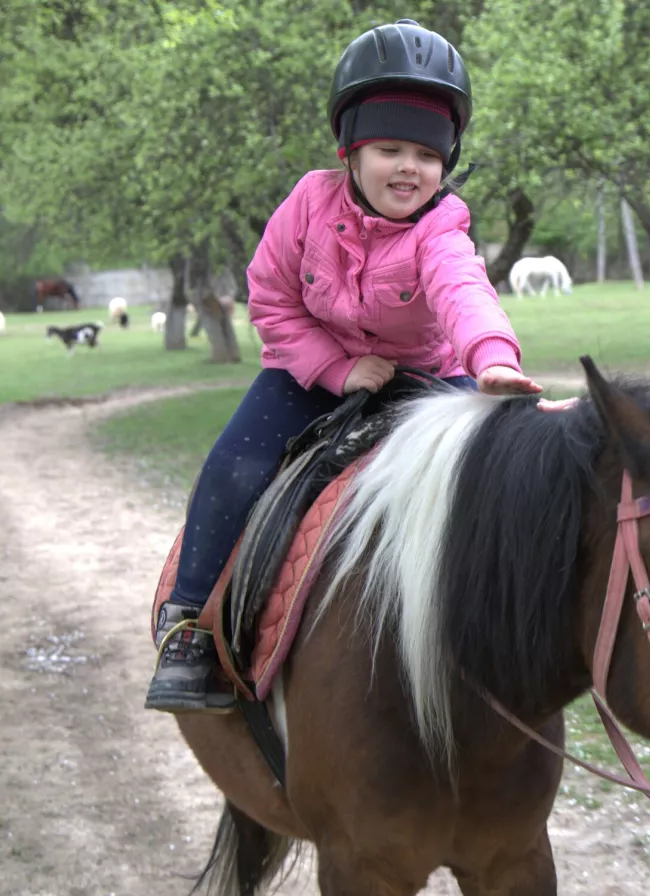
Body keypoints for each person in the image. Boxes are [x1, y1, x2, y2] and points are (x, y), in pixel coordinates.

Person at [147, 19, 570, 714]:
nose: (410, 167)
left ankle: (503, 636)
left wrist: (492, 362)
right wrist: (338, 369)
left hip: (428, 372)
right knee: (237, 465)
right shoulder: (306, 206)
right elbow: (272, 299)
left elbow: (464, 292)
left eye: (428, 155)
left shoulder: (442, 227)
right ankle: (190, 623)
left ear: (447, 164)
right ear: (349, 151)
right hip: (307, 368)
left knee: (489, 481)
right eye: (389, 149)